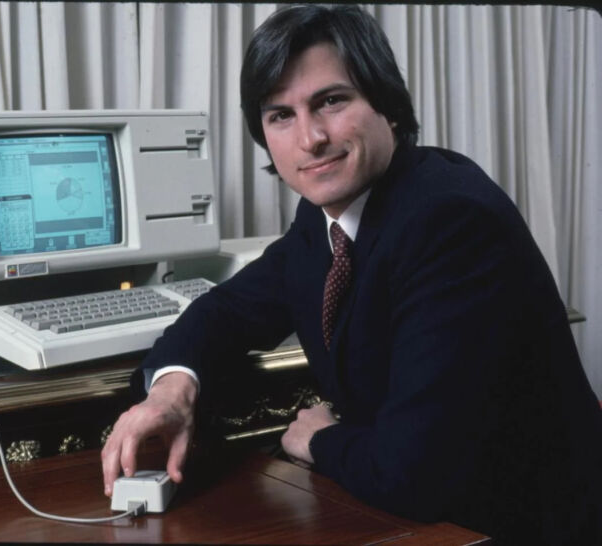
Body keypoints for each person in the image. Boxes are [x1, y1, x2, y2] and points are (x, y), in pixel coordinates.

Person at [101, 5, 602, 544]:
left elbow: (416, 475)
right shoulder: (325, 218)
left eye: (331, 101)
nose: (311, 138)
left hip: (521, 525)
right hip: (428, 514)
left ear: (385, 102)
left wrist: (318, 440)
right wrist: (172, 391)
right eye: (281, 115)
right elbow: (229, 310)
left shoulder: (451, 220)